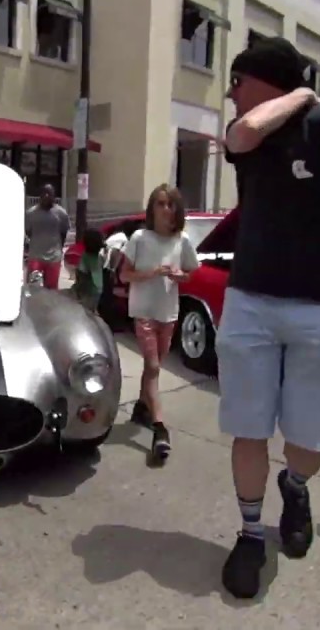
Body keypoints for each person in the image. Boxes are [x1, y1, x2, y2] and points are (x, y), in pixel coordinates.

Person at [214, 37, 320, 599]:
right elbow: (239, 134)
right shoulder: (255, 132)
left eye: (237, 82)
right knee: (248, 426)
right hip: (251, 302)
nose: (230, 94)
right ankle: (249, 532)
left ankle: (296, 484)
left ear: (264, 80)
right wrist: (300, 93)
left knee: (308, 440)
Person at [120, 184, 198, 463]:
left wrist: (179, 276)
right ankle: (160, 429)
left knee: (151, 370)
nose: (166, 210)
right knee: (153, 368)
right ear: (152, 208)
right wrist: (152, 272)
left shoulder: (182, 241)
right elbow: (124, 275)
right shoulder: (140, 238)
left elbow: (190, 272)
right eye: (161, 204)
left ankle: (142, 407)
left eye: (171, 205)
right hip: (144, 312)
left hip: (169, 313)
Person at [25, 184, 70, 289]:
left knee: (51, 291)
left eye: (49, 193)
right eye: (43, 193)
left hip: (54, 258)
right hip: (36, 257)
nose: (46, 196)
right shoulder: (31, 213)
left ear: (54, 196)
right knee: (32, 288)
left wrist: (58, 248)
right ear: (39, 196)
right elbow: (28, 232)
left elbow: (64, 233)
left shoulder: (61, 213)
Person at [72, 228, 105, 312]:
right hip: (90, 292)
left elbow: (94, 281)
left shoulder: (87, 257)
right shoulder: (97, 257)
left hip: (87, 292)